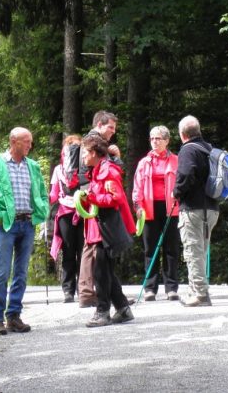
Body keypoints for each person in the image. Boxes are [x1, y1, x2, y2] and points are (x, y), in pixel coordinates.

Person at [0, 127, 49, 336]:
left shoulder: (33, 166)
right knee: (2, 272)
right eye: (26, 141)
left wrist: (42, 211)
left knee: (21, 272)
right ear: (13, 141)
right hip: (7, 225)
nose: (30, 145)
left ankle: (14, 316)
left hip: (28, 224)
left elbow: (42, 194)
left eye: (30, 141)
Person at [78, 133, 135, 327]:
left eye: (85, 152)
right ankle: (123, 309)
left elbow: (115, 199)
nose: (83, 157)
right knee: (105, 270)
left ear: (94, 153)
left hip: (109, 228)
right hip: (101, 227)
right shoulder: (97, 170)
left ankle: (102, 311)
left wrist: (91, 198)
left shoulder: (108, 170)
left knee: (101, 271)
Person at [75, 110, 120, 308]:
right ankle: (89, 294)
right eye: (110, 127)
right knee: (94, 246)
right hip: (94, 198)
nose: (113, 131)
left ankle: (118, 303)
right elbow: (108, 173)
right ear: (99, 125)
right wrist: (116, 156)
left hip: (92, 196)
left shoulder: (95, 143)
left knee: (94, 246)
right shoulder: (93, 143)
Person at [132, 125, 182, 301]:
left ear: (167, 141)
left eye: (158, 138)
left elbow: (182, 183)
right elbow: (137, 186)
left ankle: (171, 288)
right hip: (149, 208)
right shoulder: (144, 162)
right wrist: (138, 206)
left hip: (171, 208)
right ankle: (150, 288)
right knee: (150, 249)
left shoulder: (176, 160)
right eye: (152, 138)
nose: (154, 141)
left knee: (171, 248)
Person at [173, 115, 218, 307]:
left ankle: (200, 293)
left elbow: (185, 174)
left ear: (182, 134)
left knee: (193, 251)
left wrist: (176, 192)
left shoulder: (188, 150)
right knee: (201, 250)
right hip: (212, 208)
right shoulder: (210, 149)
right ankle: (195, 290)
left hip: (193, 208)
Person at [49, 135, 85, 303]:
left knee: (82, 251)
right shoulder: (59, 170)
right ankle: (68, 290)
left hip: (83, 212)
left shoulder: (85, 169)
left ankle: (82, 288)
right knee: (69, 251)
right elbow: (54, 193)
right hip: (66, 212)